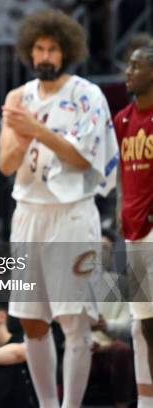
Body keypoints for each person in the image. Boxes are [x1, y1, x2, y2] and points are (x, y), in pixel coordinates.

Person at [0, 9, 119, 408]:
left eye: (52, 49)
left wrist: (38, 131)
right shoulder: (18, 97)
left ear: (66, 52)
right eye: (38, 48)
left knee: (73, 318)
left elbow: (85, 158)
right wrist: (20, 134)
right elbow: (5, 165)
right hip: (28, 210)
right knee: (31, 319)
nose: (44, 56)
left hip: (72, 212)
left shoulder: (87, 94)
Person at [113, 43, 153, 407]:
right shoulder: (123, 119)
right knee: (142, 323)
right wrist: (120, 208)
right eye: (128, 65)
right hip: (134, 230)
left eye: (136, 65)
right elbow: (121, 175)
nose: (128, 71)